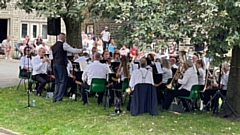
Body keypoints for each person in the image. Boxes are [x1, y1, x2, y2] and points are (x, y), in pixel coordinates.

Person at [51, 33, 84, 102]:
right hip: (61, 64)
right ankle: (59, 98)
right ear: (63, 38)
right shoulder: (63, 44)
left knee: (57, 82)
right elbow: (72, 50)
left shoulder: (54, 46)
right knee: (63, 81)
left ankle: (55, 97)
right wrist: (81, 50)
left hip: (54, 64)